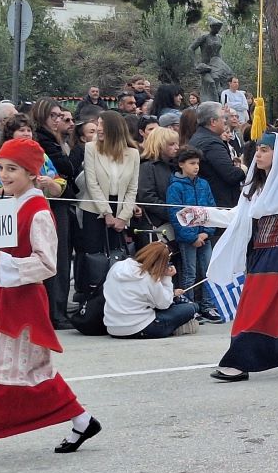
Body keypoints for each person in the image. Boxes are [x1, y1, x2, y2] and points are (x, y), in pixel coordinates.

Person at [176, 132, 278, 381]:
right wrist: (202, 214)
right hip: (259, 255)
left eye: (265, 150)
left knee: (253, 307)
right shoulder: (255, 187)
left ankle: (238, 361)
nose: (259, 154)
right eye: (258, 149)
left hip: (277, 255)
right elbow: (238, 216)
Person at [0, 137, 102, 452]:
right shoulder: (6, 203)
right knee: (35, 370)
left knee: (2, 372)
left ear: (31, 173)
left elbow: (47, 264)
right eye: (1, 168)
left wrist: (4, 262)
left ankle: (80, 420)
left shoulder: (38, 211)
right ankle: (82, 420)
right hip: (1, 298)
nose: (4, 175)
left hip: (22, 302)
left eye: (13, 169)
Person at [28, 99, 76, 328]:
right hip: (47, 205)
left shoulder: (56, 140)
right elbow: (66, 169)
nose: (59, 119)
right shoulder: (44, 141)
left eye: (60, 115)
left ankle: (57, 311)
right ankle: (54, 313)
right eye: (54, 115)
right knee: (52, 258)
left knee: (61, 259)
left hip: (58, 201)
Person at [167, 147, 221, 321]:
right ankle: (189, 306)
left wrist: (206, 233)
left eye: (197, 163)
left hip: (204, 237)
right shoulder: (175, 187)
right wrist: (192, 237)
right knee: (189, 272)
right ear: (181, 164)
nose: (196, 167)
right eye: (191, 163)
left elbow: (212, 210)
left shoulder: (203, 184)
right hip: (188, 239)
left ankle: (207, 304)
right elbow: (176, 214)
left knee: (208, 271)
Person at [80, 110, 141, 262]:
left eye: (102, 124)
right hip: (94, 211)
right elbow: (92, 183)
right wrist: (106, 213)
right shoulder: (90, 148)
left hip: (120, 211)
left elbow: (132, 188)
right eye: (98, 124)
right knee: (94, 259)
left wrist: (123, 217)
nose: (98, 128)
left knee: (116, 258)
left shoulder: (133, 154)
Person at [103, 242, 199, 338]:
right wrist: (166, 277)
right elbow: (165, 304)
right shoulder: (149, 278)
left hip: (112, 327)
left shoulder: (117, 266)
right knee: (192, 307)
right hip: (140, 328)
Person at [189, 102, 246, 208]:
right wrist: (244, 167)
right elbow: (231, 175)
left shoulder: (200, 136)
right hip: (220, 203)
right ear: (213, 121)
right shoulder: (211, 143)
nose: (225, 120)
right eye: (223, 117)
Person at [135, 127, 180, 247]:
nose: (177, 147)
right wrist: (173, 213)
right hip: (156, 225)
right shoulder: (147, 166)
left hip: (172, 223)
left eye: (177, 143)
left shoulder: (174, 166)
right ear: (159, 144)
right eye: (172, 144)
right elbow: (146, 197)